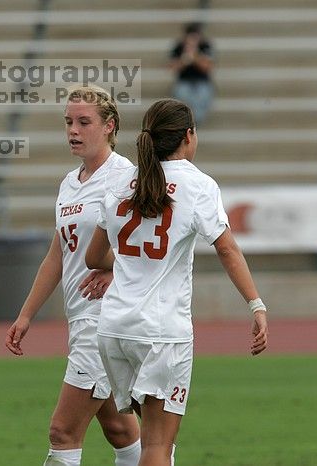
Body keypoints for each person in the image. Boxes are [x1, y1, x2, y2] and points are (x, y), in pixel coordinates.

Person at [85, 99, 268, 466]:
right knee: (158, 445)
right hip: (161, 332)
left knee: (154, 439)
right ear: (188, 136)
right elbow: (228, 249)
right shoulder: (197, 184)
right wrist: (256, 305)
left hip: (115, 328)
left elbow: (94, 258)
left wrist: (121, 263)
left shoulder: (121, 180)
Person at [5, 86, 142, 466]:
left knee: (62, 431)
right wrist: (27, 314)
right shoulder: (70, 183)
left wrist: (115, 271)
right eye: (68, 122)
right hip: (82, 316)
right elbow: (57, 255)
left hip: (107, 319)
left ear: (109, 126)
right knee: (120, 428)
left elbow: (147, 245)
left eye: (84, 122)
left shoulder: (126, 178)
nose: (73, 130)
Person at [169, 23, 214, 126]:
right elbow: (172, 67)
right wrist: (184, 59)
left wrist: (195, 56)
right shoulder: (178, 47)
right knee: (182, 94)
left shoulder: (205, 46)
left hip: (202, 82)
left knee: (202, 95)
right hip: (184, 82)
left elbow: (207, 67)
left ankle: (194, 122)